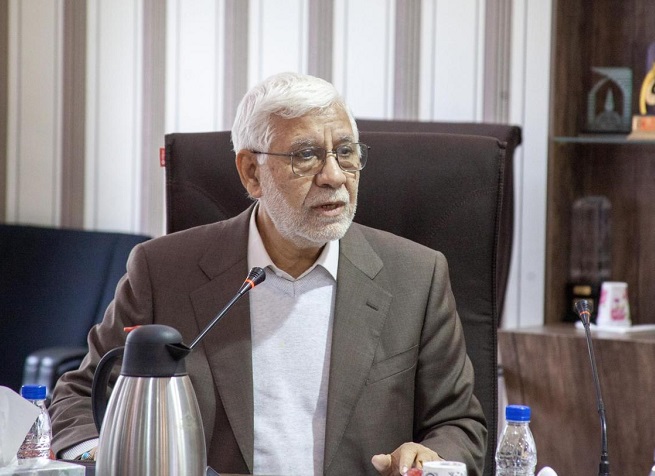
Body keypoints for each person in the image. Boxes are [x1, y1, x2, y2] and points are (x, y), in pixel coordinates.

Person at [49, 72, 487, 475]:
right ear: (251, 173)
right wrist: (110, 459)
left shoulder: (416, 276)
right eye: (306, 155)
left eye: (345, 152)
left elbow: (458, 424)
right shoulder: (163, 271)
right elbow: (80, 397)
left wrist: (431, 460)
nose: (334, 176)